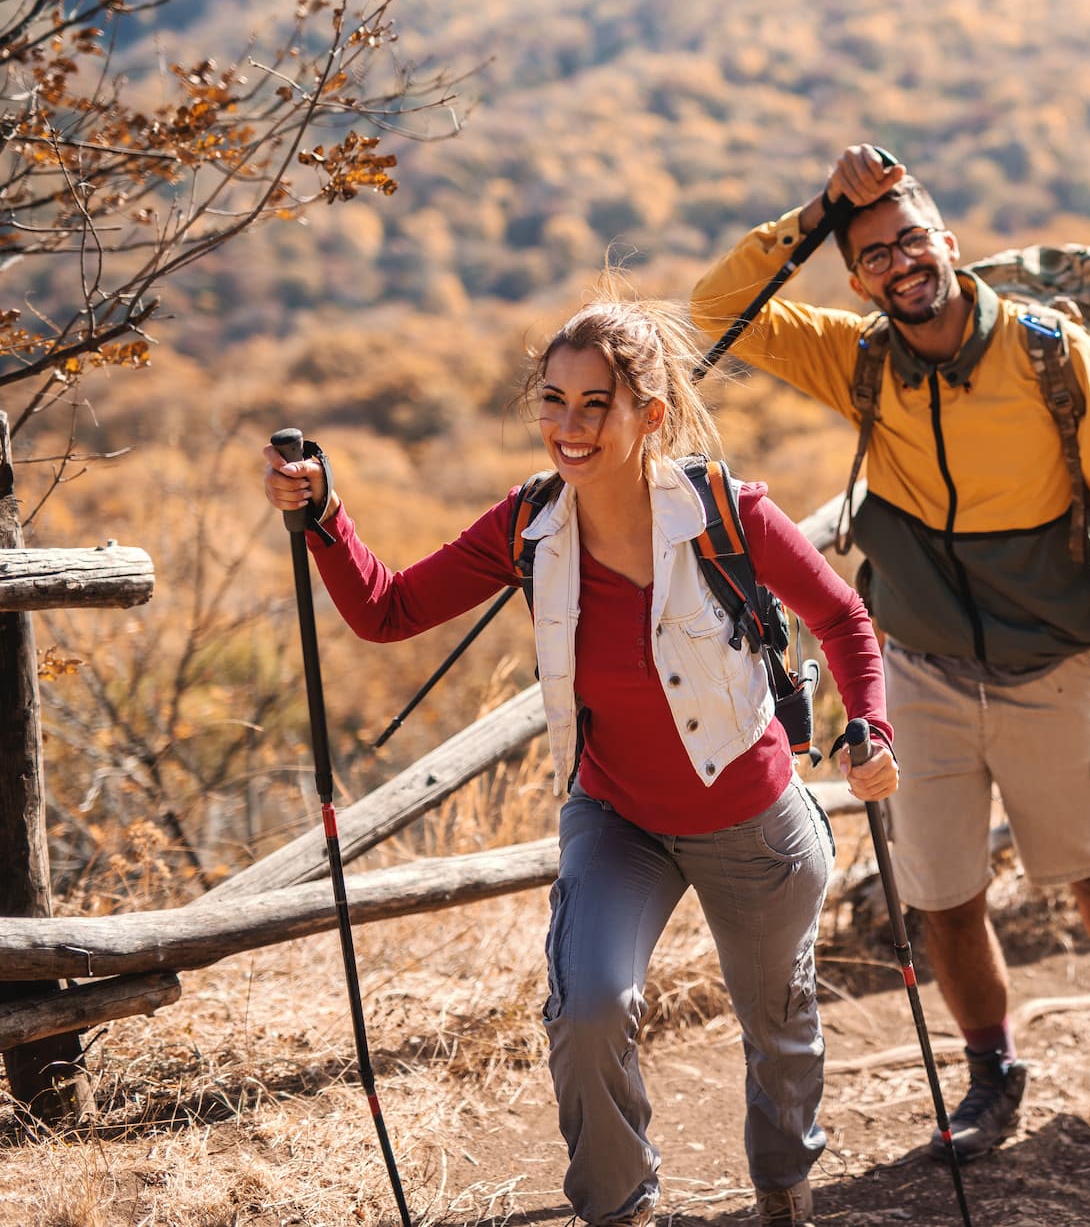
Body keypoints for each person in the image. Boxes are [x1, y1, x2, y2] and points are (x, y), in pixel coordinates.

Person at [262, 298, 897, 1227]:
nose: (569, 426)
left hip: (749, 818)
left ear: (653, 413)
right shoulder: (529, 523)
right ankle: (621, 1207)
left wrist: (868, 730)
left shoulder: (730, 514)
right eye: (554, 400)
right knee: (588, 1008)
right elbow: (386, 611)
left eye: (596, 404)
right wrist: (323, 513)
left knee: (779, 1030)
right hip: (618, 818)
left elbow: (845, 618)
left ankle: (782, 1190)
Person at [690, 146, 1090, 1161]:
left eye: (912, 241)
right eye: (874, 254)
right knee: (943, 892)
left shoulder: (1051, 355)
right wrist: (822, 206)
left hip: (1047, 658)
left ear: (950, 246)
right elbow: (714, 308)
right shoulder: (858, 356)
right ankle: (990, 1071)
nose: (899, 264)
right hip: (916, 663)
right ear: (856, 277)